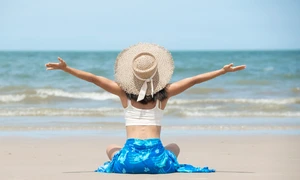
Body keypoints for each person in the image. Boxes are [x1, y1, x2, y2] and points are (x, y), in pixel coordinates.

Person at [45, 43, 246, 174]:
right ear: (157, 75)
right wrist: (222, 71)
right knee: (174, 147)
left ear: (131, 77)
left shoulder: (123, 94)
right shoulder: (164, 95)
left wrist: (66, 69)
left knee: (110, 148)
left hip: (128, 162)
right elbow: (193, 80)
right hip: (157, 160)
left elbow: (94, 79)